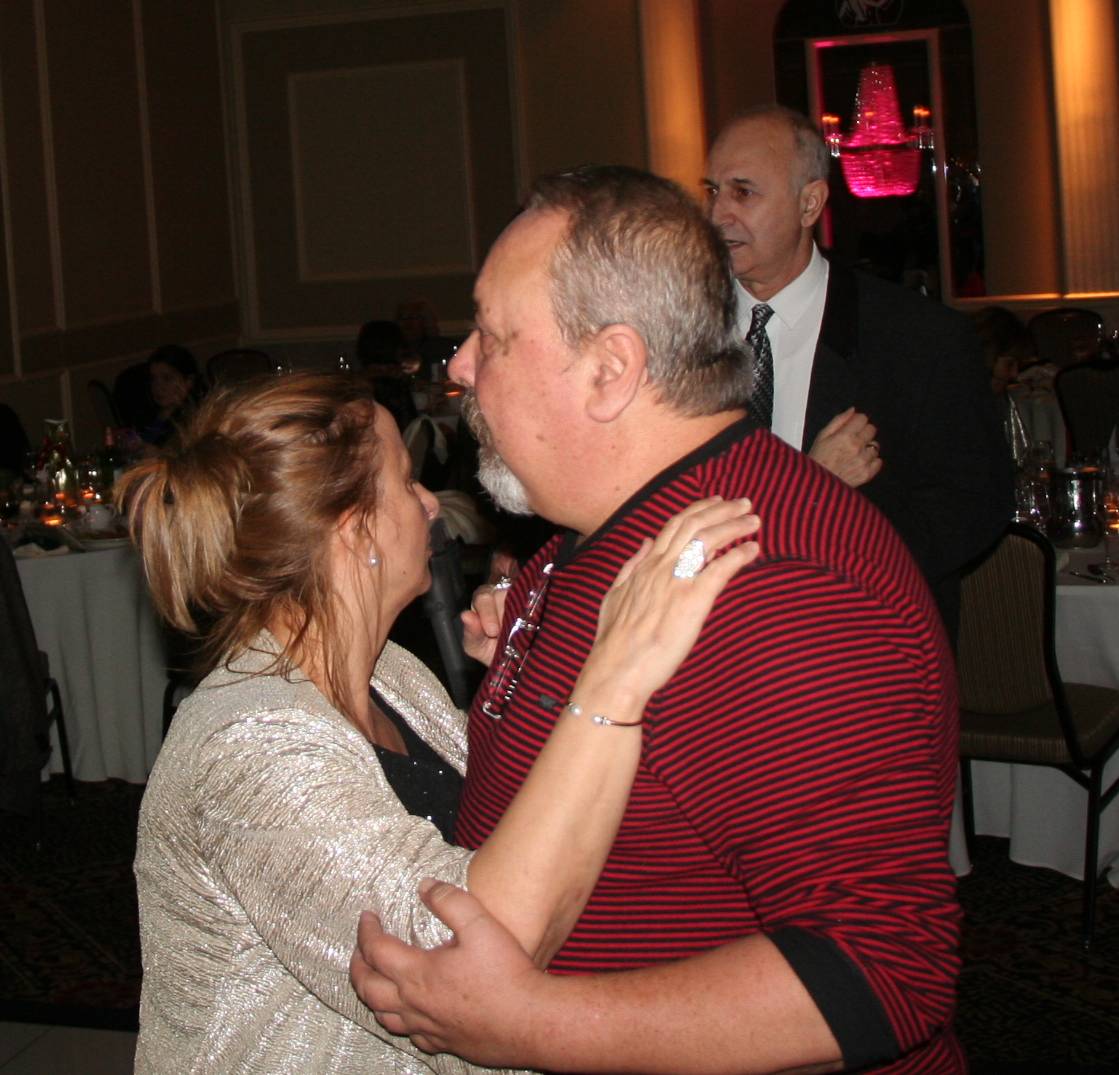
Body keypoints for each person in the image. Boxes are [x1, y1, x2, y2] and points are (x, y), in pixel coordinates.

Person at [351, 165, 963, 1074]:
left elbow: (881, 972)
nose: (460, 367)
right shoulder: (602, 528)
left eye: (492, 335)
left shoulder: (771, 591)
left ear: (610, 369)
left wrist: (532, 1022)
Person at [119, 371, 759, 1074]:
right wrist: (615, 671)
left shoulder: (388, 673)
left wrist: (528, 684)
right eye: (405, 481)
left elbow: (503, 827)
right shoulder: (246, 748)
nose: (429, 503)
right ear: (354, 530)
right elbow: (474, 959)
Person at [703, 105, 1013, 639]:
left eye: (743, 193)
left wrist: (828, 549)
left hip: (862, 642)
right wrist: (813, 488)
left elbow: (973, 505)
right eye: (712, 191)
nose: (717, 214)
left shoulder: (918, 338)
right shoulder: (681, 335)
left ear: (809, 204)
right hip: (712, 644)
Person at [141, 344, 205, 448]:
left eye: (167, 379)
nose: (158, 387)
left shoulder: (201, 414)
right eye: (153, 379)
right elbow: (146, 442)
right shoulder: (154, 412)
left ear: (188, 381)